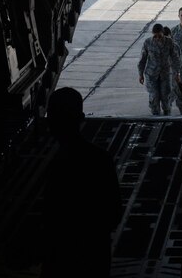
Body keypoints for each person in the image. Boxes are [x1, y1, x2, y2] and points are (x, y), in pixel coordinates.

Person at [41, 87, 122, 278]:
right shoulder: (100, 160)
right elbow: (114, 213)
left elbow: (50, 219)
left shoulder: (56, 166)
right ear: (81, 119)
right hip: (94, 256)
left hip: (61, 259)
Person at [138, 23, 182, 116]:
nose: (158, 38)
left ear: (163, 33)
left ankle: (167, 116)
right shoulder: (148, 42)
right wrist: (140, 74)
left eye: (160, 36)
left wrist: (177, 73)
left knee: (166, 97)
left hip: (165, 75)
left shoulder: (169, 42)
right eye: (155, 36)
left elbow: (176, 59)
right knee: (154, 97)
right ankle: (155, 116)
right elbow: (143, 59)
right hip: (151, 74)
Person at [162, 27, 182, 115]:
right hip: (167, 75)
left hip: (178, 74)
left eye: (167, 36)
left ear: (170, 36)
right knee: (168, 96)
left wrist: (180, 76)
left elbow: (179, 62)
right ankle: (167, 114)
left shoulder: (174, 46)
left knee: (180, 94)